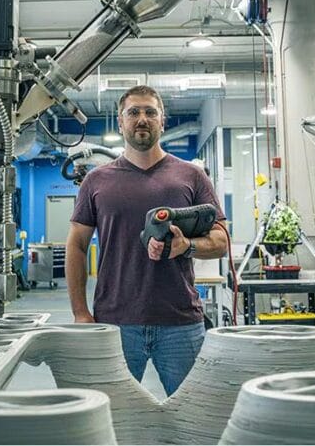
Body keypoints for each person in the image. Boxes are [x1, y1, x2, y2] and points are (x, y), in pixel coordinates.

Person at [66, 85, 229, 396]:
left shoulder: (191, 176)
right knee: (114, 420)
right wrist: (80, 312)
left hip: (180, 322)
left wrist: (187, 246)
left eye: (150, 112)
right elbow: (76, 244)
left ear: (162, 121)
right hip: (115, 323)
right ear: (121, 122)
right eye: (134, 112)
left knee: (191, 418)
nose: (142, 119)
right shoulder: (96, 181)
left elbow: (221, 239)